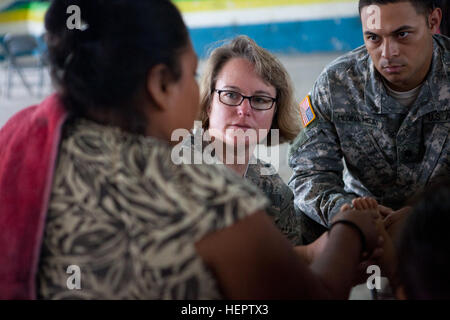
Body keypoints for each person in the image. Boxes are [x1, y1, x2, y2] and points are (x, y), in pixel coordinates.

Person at [0, 0, 383, 299]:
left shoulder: (25, 142)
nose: (243, 110)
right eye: (191, 74)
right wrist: (351, 228)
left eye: (260, 101)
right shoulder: (199, 190)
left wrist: (309, 254)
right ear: (160, 85)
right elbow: (312, 295)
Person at [288, 0, 449, 243]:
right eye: (374, 38)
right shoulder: (338, 83)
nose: (388, 53)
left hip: (441, 215)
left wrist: (426, 216)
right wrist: (346, 214)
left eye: (402, 34)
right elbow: (310, 173)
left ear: (433, 21)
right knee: (291, 223)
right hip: (360, 212)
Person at [194, 35, 305, 244]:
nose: (244, 110)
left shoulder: (276, 195)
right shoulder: (165, 167)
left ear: (275, 113)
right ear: (209, 103)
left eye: (260, 100)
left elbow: (289, 271)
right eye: (231, 95)